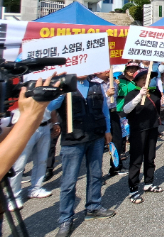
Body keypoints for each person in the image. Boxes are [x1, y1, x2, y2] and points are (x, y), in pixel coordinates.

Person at [48, 75, 116, 237]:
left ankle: (93, 206)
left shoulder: (96, 86)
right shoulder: (64, 86)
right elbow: (50, 106)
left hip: (96, 136)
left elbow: (104, 110)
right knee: (69, 181)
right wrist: (62, 90)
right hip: (73, 140)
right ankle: (66, 218)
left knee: (96, 174)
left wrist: (107, 130)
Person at [0, 77, 57, 186]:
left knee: (41, 160)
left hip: (42, 126)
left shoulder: (44, 87)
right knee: (18, 164)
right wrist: (27, 120)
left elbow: (51, 107)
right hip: (23, 127)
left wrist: (55, 122)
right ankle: (14, 195)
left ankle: (36, 188)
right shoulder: (22, 87)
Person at [120, 69, 164, 203]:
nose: (146, 80)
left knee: (150, 157)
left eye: (148, 77)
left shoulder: (154, 92)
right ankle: (133, 189)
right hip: (138, 130)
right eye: (143, 78)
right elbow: (126, 109)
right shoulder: (132, 93)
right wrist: (139, 96)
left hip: (152, 127)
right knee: (136, 159)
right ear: (137, 81)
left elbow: (158, 108)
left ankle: (148, 182)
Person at [112, 62, 141, 176]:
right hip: (121, 109)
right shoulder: (118, 80)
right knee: (121, 136)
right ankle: (119, 158)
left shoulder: (137, 81)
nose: (132, 70)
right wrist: (115, 85)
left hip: (135, 110)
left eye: (134, 68)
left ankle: (133, 154)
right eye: (130, 68)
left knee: (132, 132)